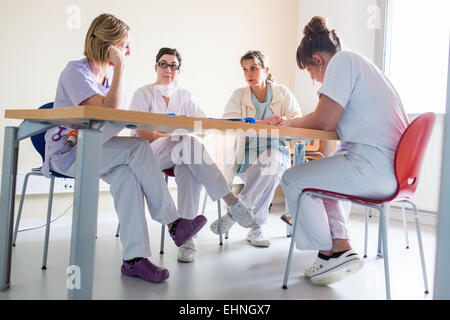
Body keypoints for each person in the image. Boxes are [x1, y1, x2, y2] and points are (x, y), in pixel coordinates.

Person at [42, 14, 207, 283]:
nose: (128, 52)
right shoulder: (76, 72)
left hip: (95, 149)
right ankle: (174, 224)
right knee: (138, 149)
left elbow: (112, 121)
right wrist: (120, 67)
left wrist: (116, 72)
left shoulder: (105, 78)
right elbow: (109, 114)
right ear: (109, 44)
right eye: (124, 46)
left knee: (127, 174)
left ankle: (134, 259)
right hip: (68, 155)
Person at [279, 16, 409, 285]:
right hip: (391, 168)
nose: (315, 79)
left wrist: (288, 122)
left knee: (291, 179)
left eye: (310, 72)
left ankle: (327, 254)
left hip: (374, 167)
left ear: (318, 60)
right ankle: (341, 245)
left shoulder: (341, 62)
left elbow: (324, 120)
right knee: (323, 174)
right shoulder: (360, 65)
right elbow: (328, 118)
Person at [129, 47, 254, 262]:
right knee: (186, 144)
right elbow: (141, 132)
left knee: (189, 164)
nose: (168, 69)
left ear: (179, 70)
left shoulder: (185, 95)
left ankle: (186, 241)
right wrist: (170, 134)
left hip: (181, 152)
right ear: (156, 66)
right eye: (163, 64)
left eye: (173, 65)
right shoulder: (144, 93)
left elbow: (203, 128)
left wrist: (182, 133)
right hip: (147, 154)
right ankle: (231, 199)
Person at [209, 50, 302, 247]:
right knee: (267, 170)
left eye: (254, 68)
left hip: (277, 152)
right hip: (246, 156)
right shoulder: (239, 95)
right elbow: (228, 121)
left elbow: (297, 119)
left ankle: (236, 211)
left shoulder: (282, 93)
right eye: (245, 70)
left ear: (266, 70)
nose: (249, 73)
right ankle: (256, 228)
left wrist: (282, 120)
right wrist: (262, 122)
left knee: (271, 161)